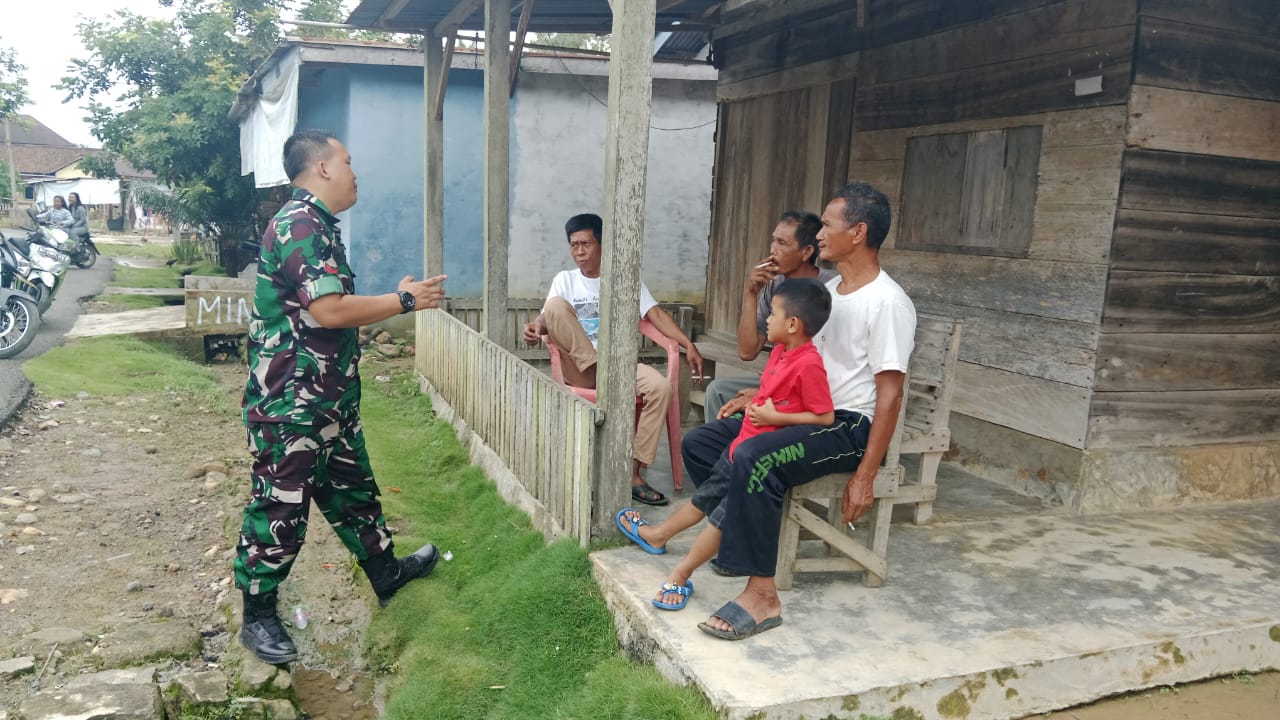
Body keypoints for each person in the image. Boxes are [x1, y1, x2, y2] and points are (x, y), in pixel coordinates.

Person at [234, 129, 449, 666]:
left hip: (327, 401)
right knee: (280, 506)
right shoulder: (300, 224)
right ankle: (257, 614)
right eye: (348, 162)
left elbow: (326, 309)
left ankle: (385, 573)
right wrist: (403, 300)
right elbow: (329, 310)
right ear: (323, 168)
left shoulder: (318, 225)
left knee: (354, 492)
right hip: (291, 405)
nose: (356, 173)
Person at [693, 182, 916, 640]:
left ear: (858, 232)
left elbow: (890, 395)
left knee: (755, 458)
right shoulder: (830, 290)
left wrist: (866, 475)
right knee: (703, 442)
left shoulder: (888, 303)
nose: (819, 235)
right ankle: (740, 538)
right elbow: (801, 362)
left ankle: (762, 596)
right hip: (805, 413)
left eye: (828, 225)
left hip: (848, 426)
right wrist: (760, 396)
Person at [616, 278, 835, 611]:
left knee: (720, 519)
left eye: (773, 313)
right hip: (740, 448)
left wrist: (776, 416)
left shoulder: (809, 364)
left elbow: (824, 416)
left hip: (755, 462)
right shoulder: (780, 352)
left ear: (793, 324)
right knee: (702, 500)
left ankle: (681, 574)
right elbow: (773, 393)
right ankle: (658, 536)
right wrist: (752, 403)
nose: (766, 320)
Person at [522, 213, 705, 507]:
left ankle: (632, 474)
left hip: (618, 367)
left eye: (586, 244)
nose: (579, 251)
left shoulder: (623, 279)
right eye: (574, 245)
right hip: (581, 369)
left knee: (660, 387)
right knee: (555, 305)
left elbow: (656, 315)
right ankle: (596, 365)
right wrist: (535, 328)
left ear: (602, 244)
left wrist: (688, 343)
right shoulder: (565, 280)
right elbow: (547, 317)